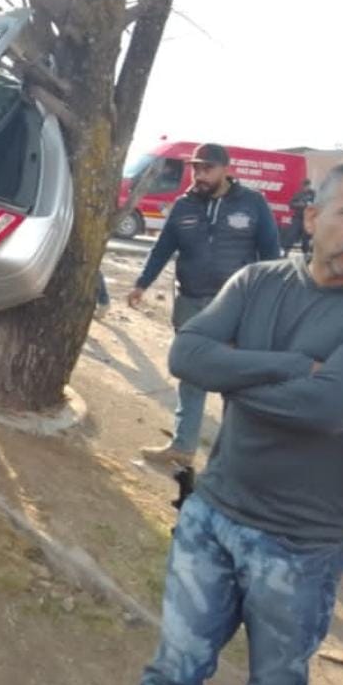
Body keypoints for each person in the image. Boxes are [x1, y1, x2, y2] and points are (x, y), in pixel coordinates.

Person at [140, 163, 343, 685]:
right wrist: (296, 365)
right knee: (172, 672)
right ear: (312, 218)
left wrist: (233, 370)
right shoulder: (258, 281)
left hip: (303, 540)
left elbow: (328, 407)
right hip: (212, 514)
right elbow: (186, 354)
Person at [127, 143, 280, 467]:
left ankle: (231, 458)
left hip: (237, 308)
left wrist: (271, 301)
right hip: (191, 302)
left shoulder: (252, 204)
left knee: (234, 379)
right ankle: (183, 446)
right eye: (196, 167)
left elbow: (270, 255)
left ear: (226, 169)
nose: (199, 174)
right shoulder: (184, 206)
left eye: (207, 168)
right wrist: (142, 283)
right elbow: (163, 248)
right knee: (192, 375)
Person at [281, 178, 316, 254]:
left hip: (308, 219)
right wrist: (301, 205)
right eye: (304, 185)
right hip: (298, 218)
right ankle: (285, 252)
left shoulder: (313, 194)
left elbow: (318, 204)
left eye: (307, 185)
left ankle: (306, 254)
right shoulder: (299, 194)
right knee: (291, 234)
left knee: (306, 238)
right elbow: (291, 204)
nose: (306, 187)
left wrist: (311, 206)